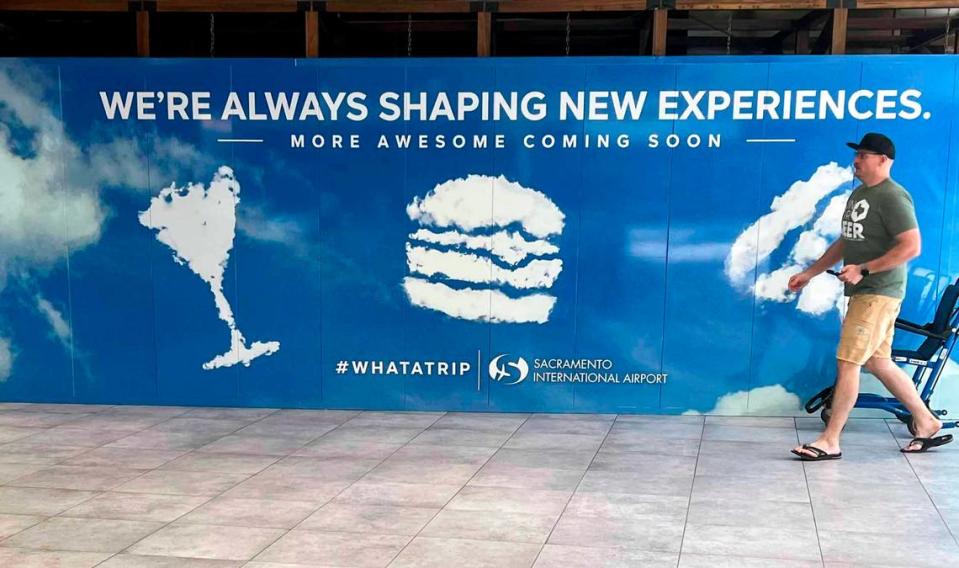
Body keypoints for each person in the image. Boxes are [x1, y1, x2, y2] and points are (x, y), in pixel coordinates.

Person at [787, 132, 952, 460]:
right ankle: (927, 421)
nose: (857, 161)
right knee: (878, 362)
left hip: (879, 292)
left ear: (883, 160)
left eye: (864, 155)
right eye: (857, 154)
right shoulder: (859, 195)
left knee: (847, 363)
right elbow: (846, 242)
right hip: (866, 293)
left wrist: (864, 269)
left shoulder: (893, 196)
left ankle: (830, 440)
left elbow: (911, 246)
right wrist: (811, 272)